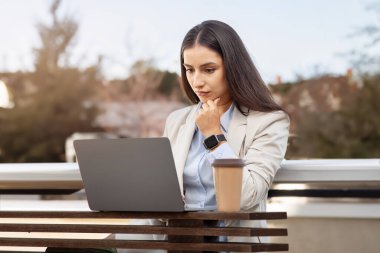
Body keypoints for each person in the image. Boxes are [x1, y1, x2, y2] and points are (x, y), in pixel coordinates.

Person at [162, 20, 290, 244]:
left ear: (233, 67)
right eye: (189, 70)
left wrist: (214, 137)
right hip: (178, 243)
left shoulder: (269, 122)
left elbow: (246, 196)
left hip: (233, 245)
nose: (196, 82)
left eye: (209, 70)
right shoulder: (176, 121)